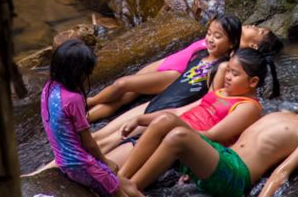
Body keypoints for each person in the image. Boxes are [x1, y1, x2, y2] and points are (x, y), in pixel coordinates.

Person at [120, 85, 298, 197]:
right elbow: (240, 140)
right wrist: (199, 160)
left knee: (178, 136)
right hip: (222, 158)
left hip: (235, 176)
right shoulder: (283, 112)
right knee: (166, 121)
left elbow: (283, 171)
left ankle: (130, 189)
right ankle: (121, 176)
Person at [40, 39, 191, 197]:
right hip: (80, 164)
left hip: (66, 160)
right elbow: (88, 142)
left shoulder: (49, 88)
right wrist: (106, 162)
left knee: (129, 187)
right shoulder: (73, 99)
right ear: (76, 72)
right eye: (87, 72)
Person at [108, 48, 280, 174]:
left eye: (234, 74)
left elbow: (212, 136)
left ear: (253, 82)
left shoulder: (248, 107)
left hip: (180, 149)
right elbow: (177, 112)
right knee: (104, 165)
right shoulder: (219, 92)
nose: (227, 76)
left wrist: (168, 126)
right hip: (163, 130)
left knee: (115, 174)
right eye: (227, 71)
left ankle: (123, 181)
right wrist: (140, 119)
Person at [87, 18, 281, 122]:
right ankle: (86, 114)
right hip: (175, 61)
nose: (256, 26)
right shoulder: (225, 31)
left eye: (260, 31)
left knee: (125, 86)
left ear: (254, 46)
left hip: (178, 75)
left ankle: (87, 107)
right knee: (126, 93)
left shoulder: (233, 55)